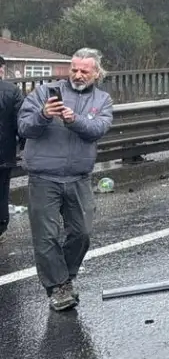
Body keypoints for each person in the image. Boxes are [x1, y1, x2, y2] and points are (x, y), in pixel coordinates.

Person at [18, 48, 114, 311]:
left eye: (84, 70)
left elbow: (97, 130)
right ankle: (58, 287)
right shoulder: (42, 93)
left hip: (78, 177)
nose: (78, 75)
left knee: (82, 233)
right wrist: (44, 115)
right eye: (74, 69)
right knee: (46, 237)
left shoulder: (103, 100)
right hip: (43, 176)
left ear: (96, 73)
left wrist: (74, 120)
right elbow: (24, 127)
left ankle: (66, 276)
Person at [0, 56, 23, 239]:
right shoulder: (12, 91)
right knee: (1, 191)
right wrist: (24, 146)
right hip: (4, 153)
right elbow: (21, 123)